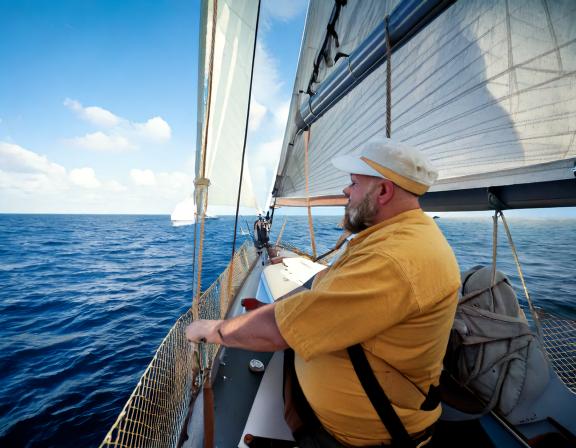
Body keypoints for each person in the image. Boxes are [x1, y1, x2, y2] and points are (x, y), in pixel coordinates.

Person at [185, 137, 461, 447]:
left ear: (383, 191)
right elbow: (320, 284)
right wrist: (269, 307)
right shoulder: (389, 238)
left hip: (363, 437)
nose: (345, 191)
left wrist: (214, 329)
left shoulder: (394, 257)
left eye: (354, 183)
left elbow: (279, 331)